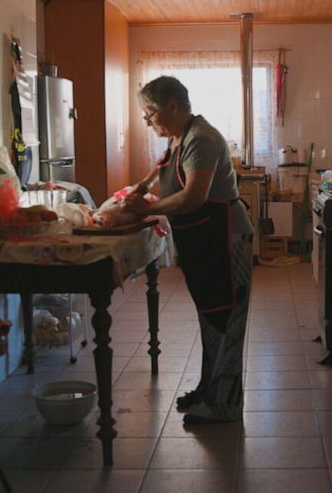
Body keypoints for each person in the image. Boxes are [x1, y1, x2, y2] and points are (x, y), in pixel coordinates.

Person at [122, 76, 253, 425]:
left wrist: (145, 209)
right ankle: (209, 390)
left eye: (150, 114)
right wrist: (136, 190)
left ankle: (223, 405)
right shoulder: (180, 136)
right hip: (204, 238)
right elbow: (160, 169)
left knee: (226, 320)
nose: (148, 122)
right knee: (210, 318)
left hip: (225, 238)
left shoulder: (202, 139)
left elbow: (195, 196)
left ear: (174, 106)